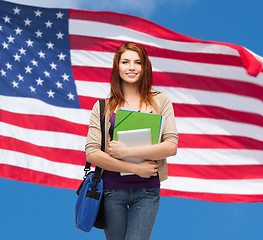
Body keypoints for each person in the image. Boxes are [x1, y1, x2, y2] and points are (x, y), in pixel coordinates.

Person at [85, 42, 178, 240]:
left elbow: (171, 146)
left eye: (137, 62)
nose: (132, 67)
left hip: (147, 191)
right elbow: (92, 152)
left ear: (145, 67)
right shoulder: (102, 107)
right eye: (125, 62)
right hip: (111, 192)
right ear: (117, 66)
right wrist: (136, 168)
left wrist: (128, 152)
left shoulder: (161, 101)